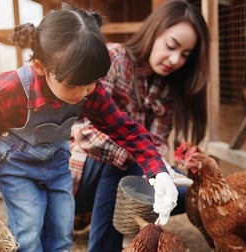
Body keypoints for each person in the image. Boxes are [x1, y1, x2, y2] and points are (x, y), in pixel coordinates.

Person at [0, 4, 178, 252]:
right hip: (16, 165)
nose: (85, 92)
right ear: (41, 67)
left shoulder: (89, 92)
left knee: (62, 228)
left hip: (56, 162)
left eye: (92, 82)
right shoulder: (14, 88)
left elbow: (125, 129)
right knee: (29, 226)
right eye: (74, 85)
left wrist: (157, 171)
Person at [70, 0, 210, 251]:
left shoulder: (166, 88)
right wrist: (146, 160)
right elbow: (83, 131)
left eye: (185, 55)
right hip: (78, 178)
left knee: (182, 190)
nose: (176, 59)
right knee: (123, 158)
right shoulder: (112, 59)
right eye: (171, 46)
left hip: (121, 177)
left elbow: (155, 143)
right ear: (155, 31)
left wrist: (161, 170)